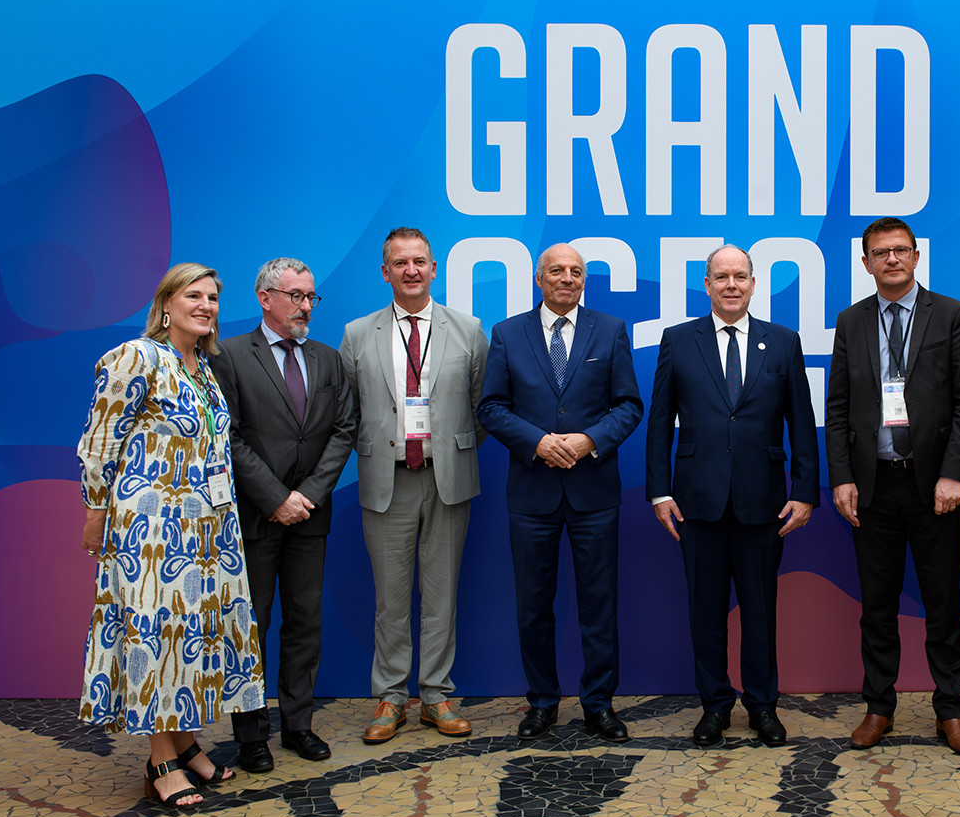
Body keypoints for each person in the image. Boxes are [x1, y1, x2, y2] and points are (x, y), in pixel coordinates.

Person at [77, 262, 263, 810]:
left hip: (207, 530)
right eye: (194, 295)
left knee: (192, 636)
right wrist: (94, 510)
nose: (206, 305)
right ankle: (160, 759)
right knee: (156, 637)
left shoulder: (203, 365)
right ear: (165, 303)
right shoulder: (136, 357)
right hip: (152, 529)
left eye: (212, 298)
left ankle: (186, 744)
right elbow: (100, 442)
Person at [645, 245, 818, 747]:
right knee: (705, 611)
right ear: (706, 284)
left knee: (762, 611)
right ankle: (714, 706)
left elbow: (801, 423)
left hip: (764, 503)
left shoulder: (782, 342)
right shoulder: (678, 340)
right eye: (721, 277)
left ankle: (764, 706)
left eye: (740, 276)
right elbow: (660, 423)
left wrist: (805, 491)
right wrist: (659, 491)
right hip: (696, 501)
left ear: (753, 282)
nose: (731, 285)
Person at [824, 217, 960, 755]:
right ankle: (879, 707)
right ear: (865, 262)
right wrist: (843, 477)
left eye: (900, 250)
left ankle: (951, 711)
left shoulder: (953, 315)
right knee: (877, 606)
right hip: (874, 488)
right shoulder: (851, 321)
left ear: (917, 256)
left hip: (935, 489)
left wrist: (954, 474)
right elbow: (839, 407)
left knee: (943, 603)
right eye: (880, 252)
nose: (891, 259)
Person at [478, 243, 644, 741]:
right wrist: (539, 442)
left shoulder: (610, 329)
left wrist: (590, 439)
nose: (566, 278)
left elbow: (629, 405)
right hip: (532, 494)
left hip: (594, 493)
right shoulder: (508, 333)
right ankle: (543, 702)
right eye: (557, 271)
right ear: (538, 278)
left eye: (576, 272)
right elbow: (491, 407)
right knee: (533, 605)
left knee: (599, 603)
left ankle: (599, 704)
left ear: (584, 280)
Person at [340, 227, 489, 745]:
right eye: (400, 263)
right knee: (390, 598)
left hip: (447, 479)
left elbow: (481, 407)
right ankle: (390, 697)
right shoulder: (358, 333)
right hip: (387, 480)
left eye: (420, 261)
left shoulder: (468, 330)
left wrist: (452, 450)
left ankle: (436, 696)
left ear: (433, 268)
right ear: (385, 272)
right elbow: (348, 411)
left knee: (442, 595)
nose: (411, 270)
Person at [211, 257, 356, 773]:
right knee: (251, 626)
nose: (305, 306)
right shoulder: (228, 356)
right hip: (255, 517)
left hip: (310, 517)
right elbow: (226, 436)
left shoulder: (328, 359)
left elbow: (344, 430)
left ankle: (298, 726)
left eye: (310, 297)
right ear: (265, 298)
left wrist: (308, 495)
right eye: (294, 296)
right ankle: (251, 736)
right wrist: (275, 497)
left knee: (304, 623)